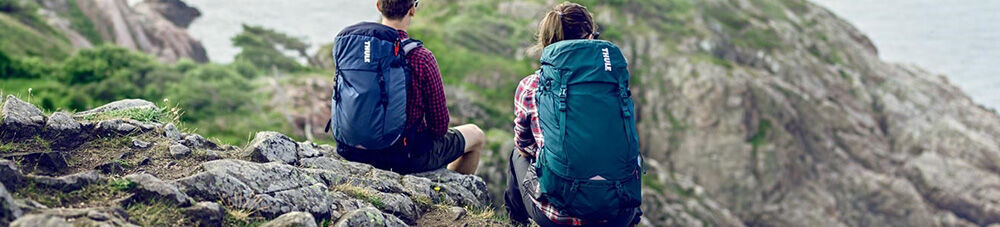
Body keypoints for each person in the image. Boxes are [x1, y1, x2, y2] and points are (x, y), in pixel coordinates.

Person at [505, 2, 642, 226]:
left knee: (516, 154)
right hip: (618, 213)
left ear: (547, 40)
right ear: (590, 38)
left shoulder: (530, 86)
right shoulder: (613, 86)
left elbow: (524, 146)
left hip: (558, 216)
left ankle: (516, 223)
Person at [332, 0, 484, 175]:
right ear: (412, 10)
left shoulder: (355, 49)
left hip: (352, 151)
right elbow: (440, 127)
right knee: (476, 135)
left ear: (379, 6)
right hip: (402, 157)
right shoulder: (421, 57)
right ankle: (454, 190)